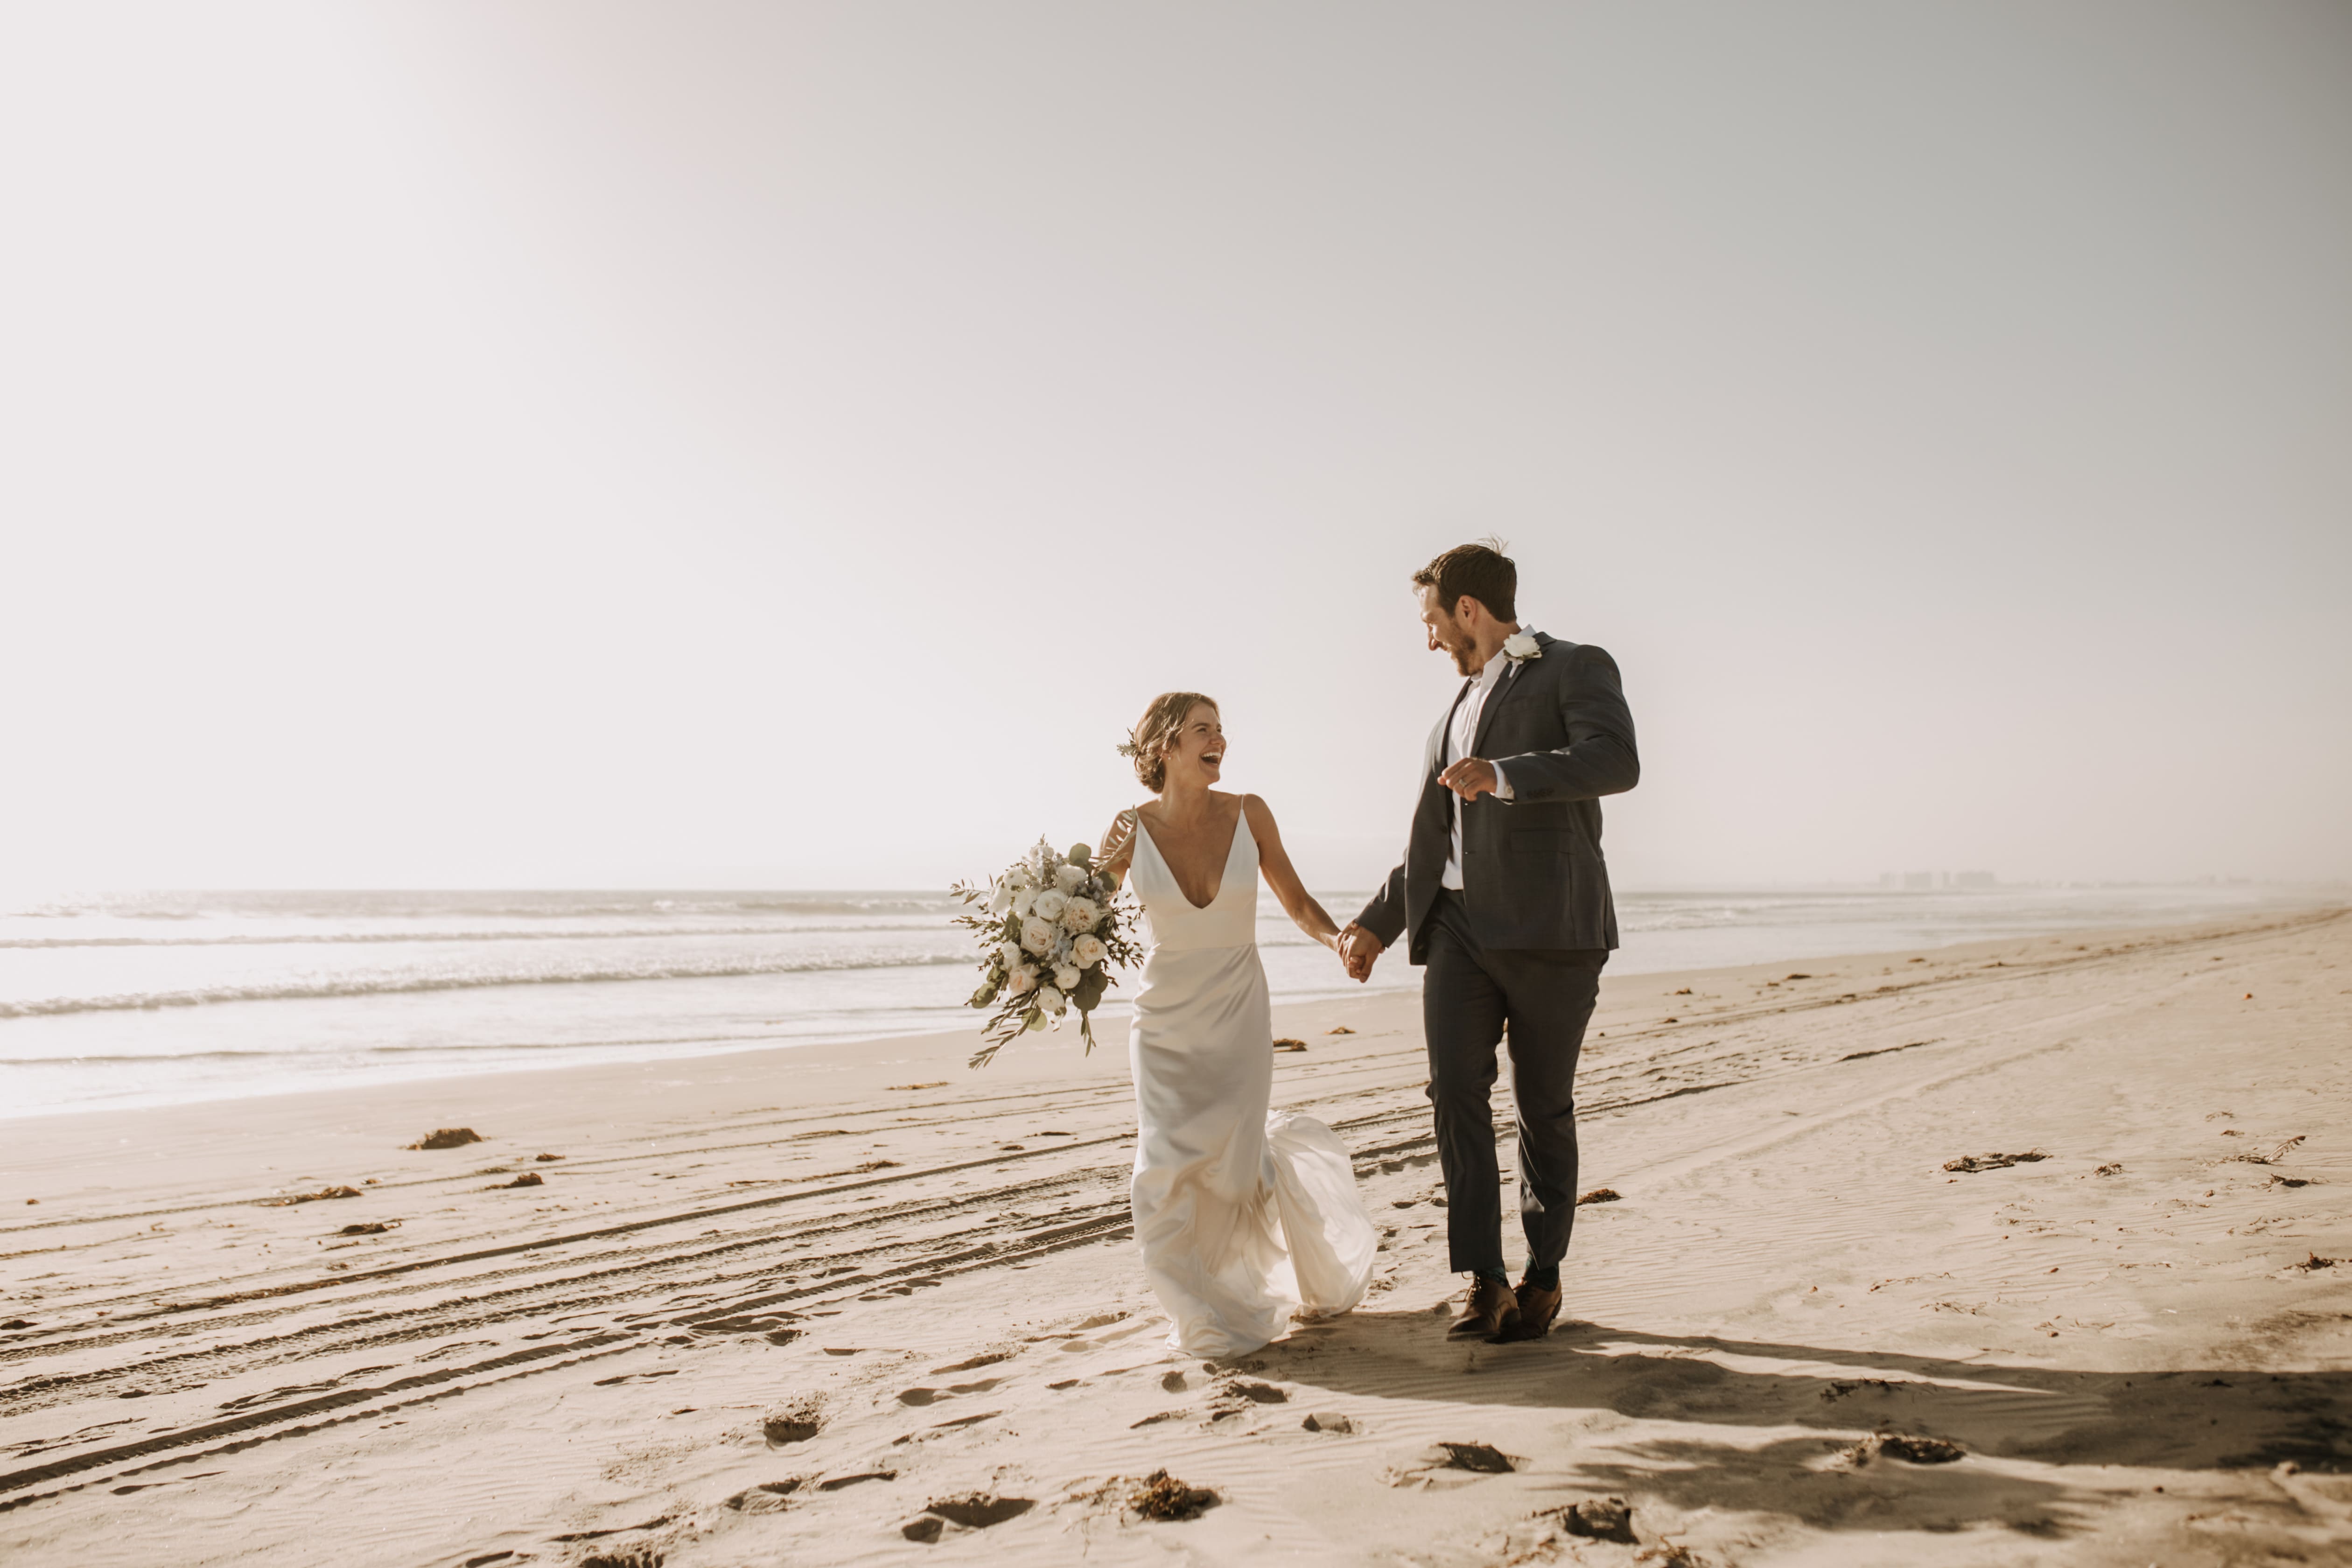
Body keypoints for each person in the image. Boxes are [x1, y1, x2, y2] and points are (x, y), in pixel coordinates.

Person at [1338, 541, 1639, 1342]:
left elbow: (1616, 760)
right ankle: (1484, 1278)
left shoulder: (1577, 666)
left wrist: (1504, 775)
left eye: (1432, 620)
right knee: (1453, 1095)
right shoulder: (1446, 719)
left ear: (1466, 609)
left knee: (1543, 1106)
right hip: (1460, 933)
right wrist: (1376, 922)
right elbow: (1434, 841)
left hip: (1554, 930)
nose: (1429, 638)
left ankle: (1544, 1276)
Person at [1094, 692, 1378, 1358]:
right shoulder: (1128, 830)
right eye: (1202, 731)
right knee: (1165, 1163)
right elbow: (1086, 915)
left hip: (1237, 1008)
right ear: (1164, 746)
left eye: (1221, 730)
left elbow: (1297, 900)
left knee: (1232, 1163)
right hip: (1163, 1020)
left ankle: (1234, 1284)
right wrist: (1047, 945)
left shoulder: (1251, 815)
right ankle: (1192, 1309)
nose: (1218, 740)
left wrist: (1337, 938)